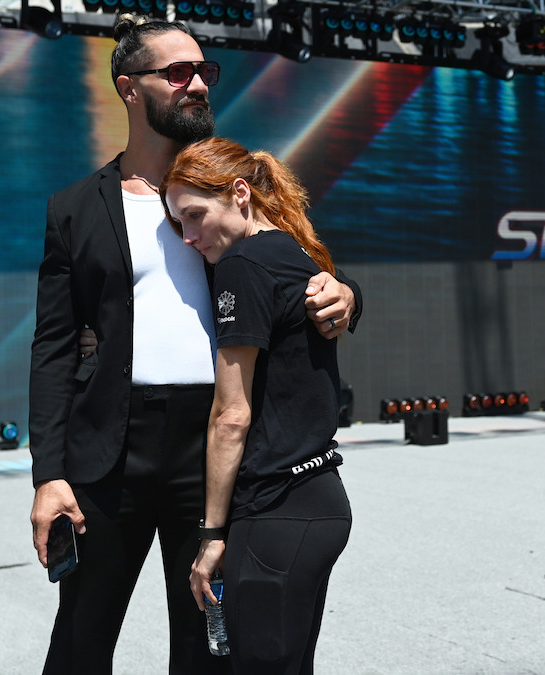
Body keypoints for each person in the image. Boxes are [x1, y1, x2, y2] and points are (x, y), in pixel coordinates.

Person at [28, 14, 362, 675]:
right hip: (108, 454)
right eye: (177, 72)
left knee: (209, 646)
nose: (198, 84)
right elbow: (53, 347)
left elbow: (300, 258)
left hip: (214, 452)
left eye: (203, 71)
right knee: (79, 643)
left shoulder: (221, 190)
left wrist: (347, 294)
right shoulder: (74, 208)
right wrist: (48, 474)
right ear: (130, 88)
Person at [161, 137, 353, 674]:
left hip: (275, 510)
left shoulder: (242, 264)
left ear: (239, 193)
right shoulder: (296, 253)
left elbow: (231, 415)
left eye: (195, 215)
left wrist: (212, 536)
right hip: (315, 502)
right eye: (178, 223)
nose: (190, 236)